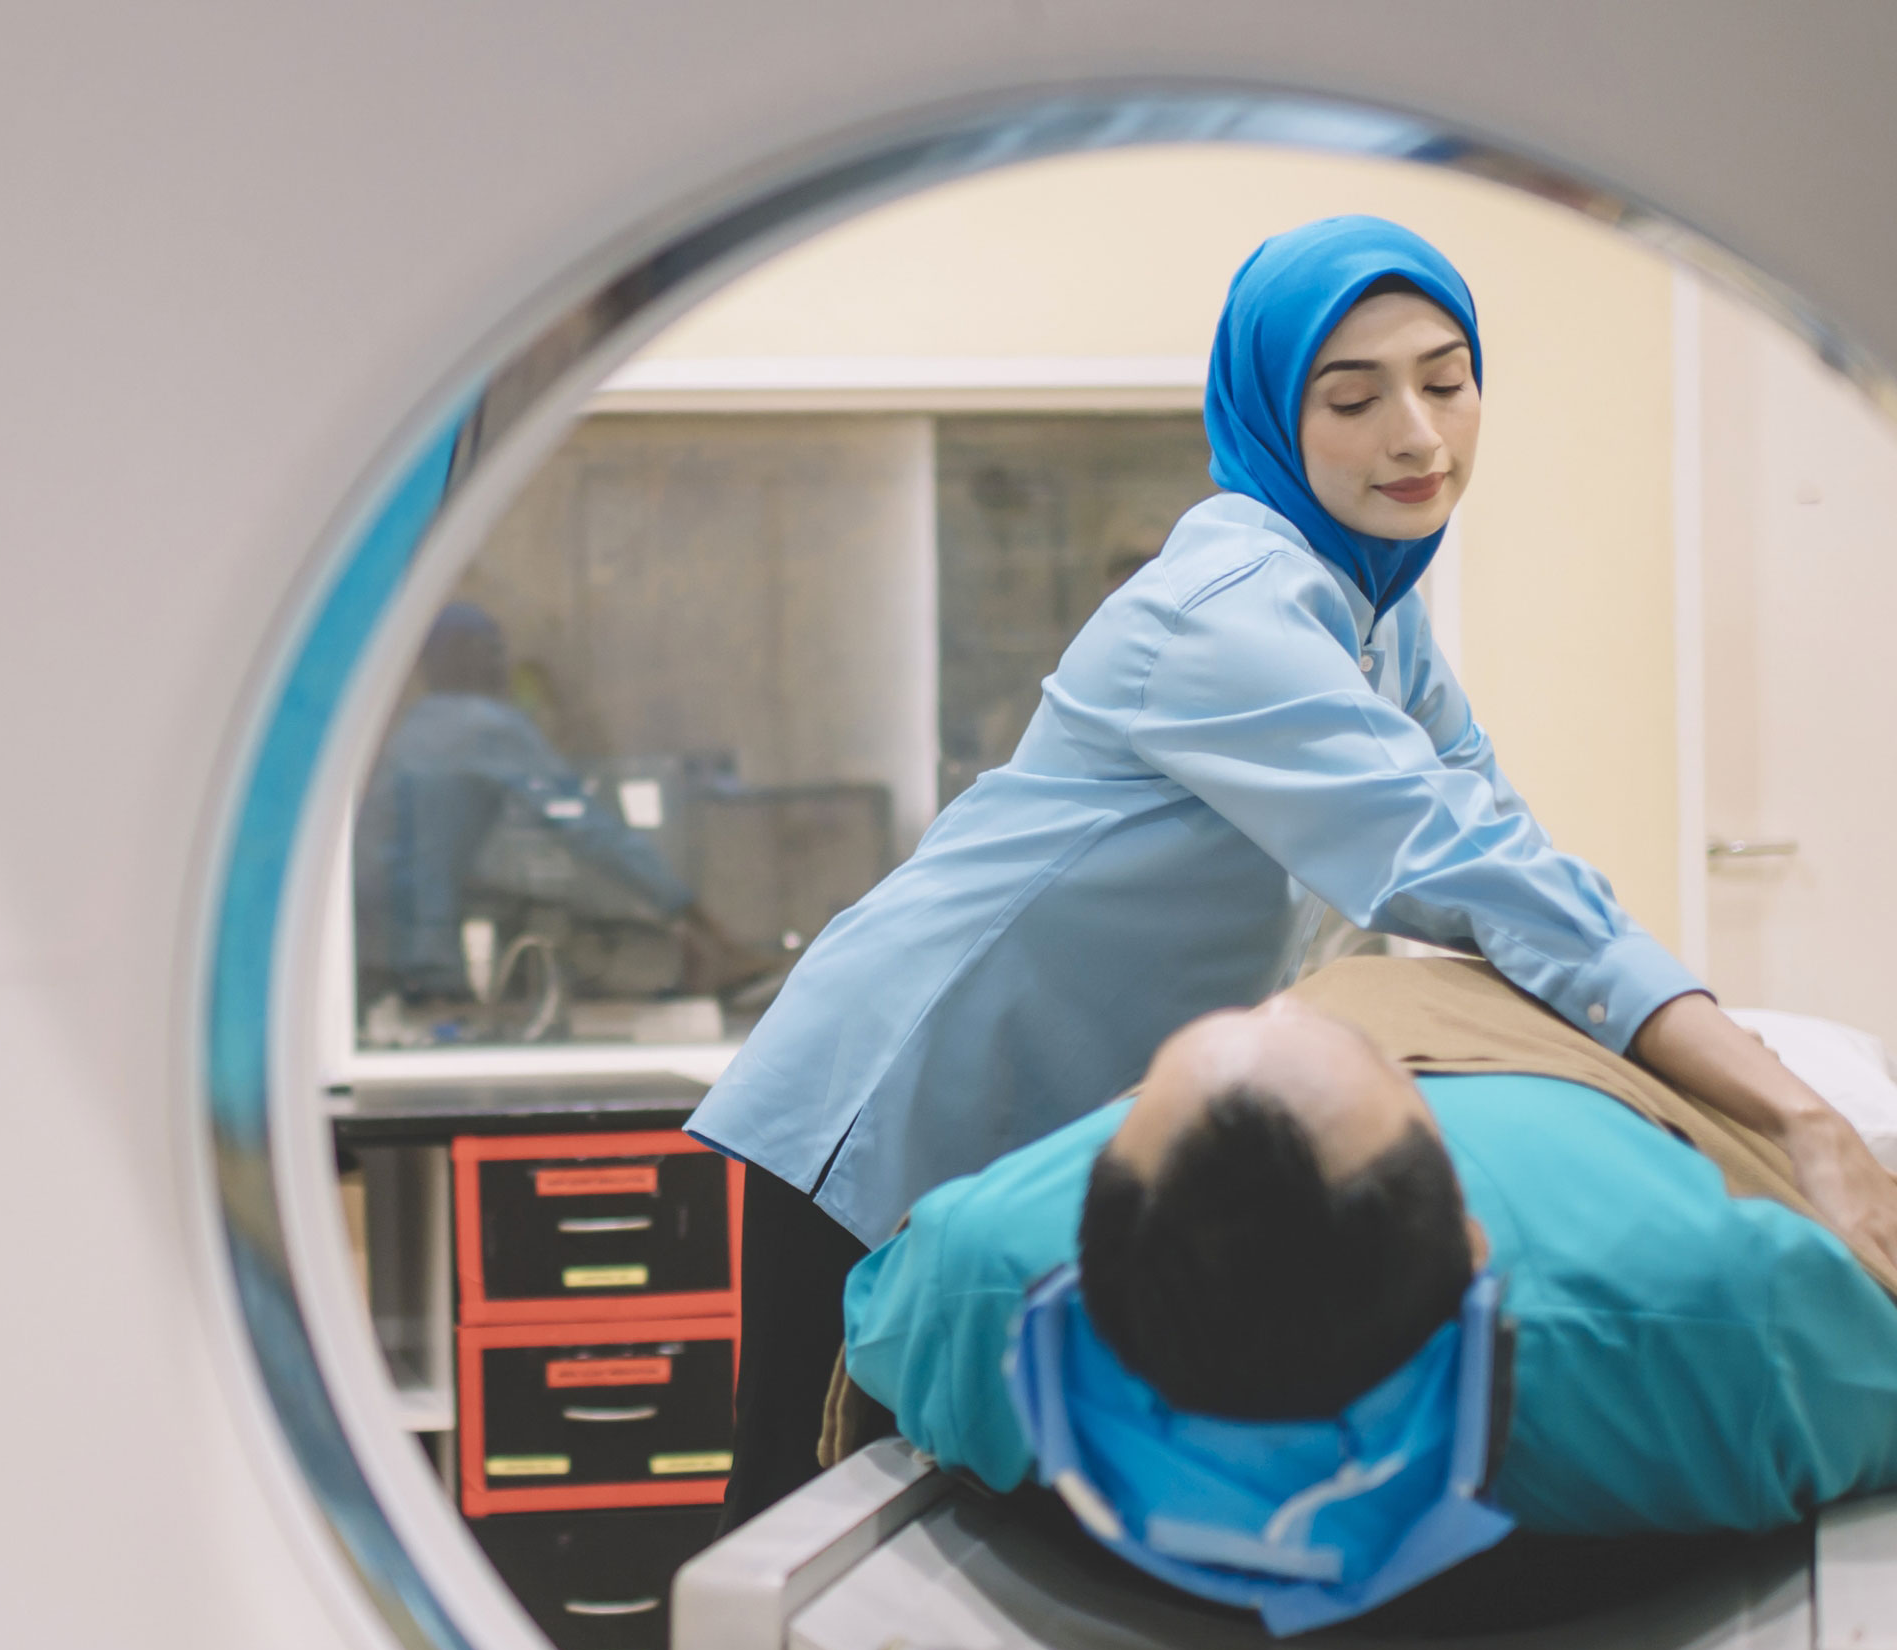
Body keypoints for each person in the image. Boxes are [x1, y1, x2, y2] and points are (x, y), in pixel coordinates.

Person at [689, 215, 1897, 1550]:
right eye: (1354, 395)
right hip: (895, 1086)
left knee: (929, 1495)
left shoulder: (1375, 608)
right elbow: (1455, 865)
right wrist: (1790, 1112)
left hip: (1038, 1103)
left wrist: (1667, 1055)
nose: (1418, 435)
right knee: (796, 1528)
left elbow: (1504, 835)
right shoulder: (1230, 608)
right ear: (1274, 407)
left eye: (1446, 381)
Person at [844, 956, 1897, 1638]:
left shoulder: (981, 1268)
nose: (1277, 1004)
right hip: (1558, 1062)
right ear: (1476, 1237)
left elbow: (876, 1337)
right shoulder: (1714, 1312)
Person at [353, 602, 695, 1003]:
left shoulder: (417, 727)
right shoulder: (481, 723)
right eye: (491, 649)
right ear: (453, 655)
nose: (501, 664)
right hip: (420, 956)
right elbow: (587, 826)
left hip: (375, 952)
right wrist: (687, 907)